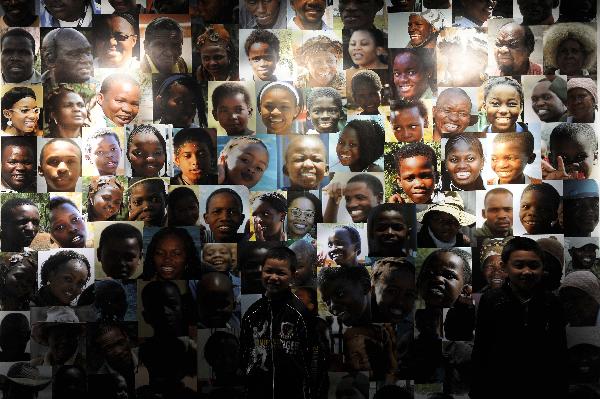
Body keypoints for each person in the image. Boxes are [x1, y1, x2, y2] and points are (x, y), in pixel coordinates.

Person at [470, 236, 567, 399]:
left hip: (543, 389)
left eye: (534, 265)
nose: (527, 272)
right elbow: (481, 348)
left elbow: (559, 352)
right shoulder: (491, 300)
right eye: (519, 265)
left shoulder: (552, 302)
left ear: (542, 268)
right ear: (504, 267)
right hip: (499, 388)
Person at [240, 246, 311, 399]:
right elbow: (244, 356)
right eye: (269, 271)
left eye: (281, 273)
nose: (273, 277)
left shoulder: (300, 313)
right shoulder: (252, 314)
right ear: (262, 271)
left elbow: (313, 359)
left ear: (292, 275)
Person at [371, 257, 416, 323]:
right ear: (373, 290)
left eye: (409, 294)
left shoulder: (409, 329)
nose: (400, 302)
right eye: (392, 291)